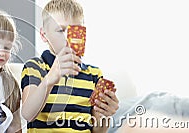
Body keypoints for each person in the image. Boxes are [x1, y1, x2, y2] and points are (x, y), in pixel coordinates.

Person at [20, 0, 119, 132]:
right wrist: (50, 79)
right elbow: (27, 114)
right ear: (44, 35)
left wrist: (105, 114)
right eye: (61, 30)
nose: (69, 37)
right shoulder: (35, 67)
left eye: (76, 30)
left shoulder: (94, 74)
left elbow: (97, 130)